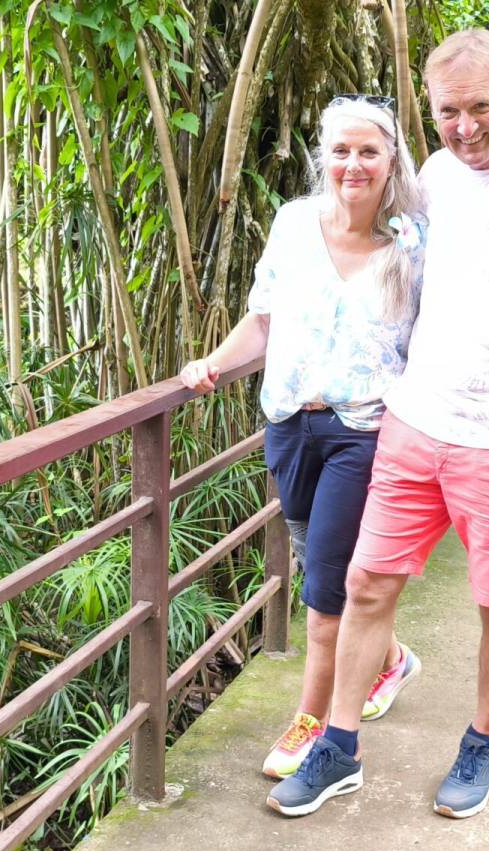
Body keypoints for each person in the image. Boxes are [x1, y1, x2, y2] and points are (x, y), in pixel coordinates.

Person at [265, 27, 489, 819]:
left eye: (480, 107)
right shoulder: (432, 175)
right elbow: (418, 280)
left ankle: (483, 740)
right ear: (429, 111)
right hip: (414, 422)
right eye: (447, 113)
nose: (464, 127)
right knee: (365, 585)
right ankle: (338, 747)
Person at [179, 94, 426, 785]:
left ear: (391, 161)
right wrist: (212, 363)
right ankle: (392, 660)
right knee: (323, 563)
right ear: (325, 158)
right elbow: (263, 319)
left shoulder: (413, 241)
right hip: (289, 423)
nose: (354, 164)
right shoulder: (293, 223)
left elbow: (451, 324)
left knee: (323, 591)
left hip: (363, 431)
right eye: (341, 151)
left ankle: (313, 724)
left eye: (369, 151)